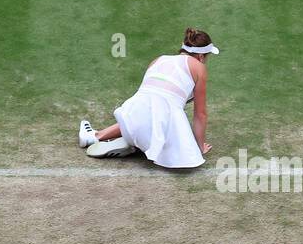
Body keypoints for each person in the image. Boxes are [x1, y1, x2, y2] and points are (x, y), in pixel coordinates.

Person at [79, 27, 217, 167]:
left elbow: (150, 103)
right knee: (171, 127)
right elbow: (200, 114)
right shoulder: (199, 68)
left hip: (132, 120)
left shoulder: (158, 60)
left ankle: (97, 136)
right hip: (159, 127)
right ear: (201, 56)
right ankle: (139, 143)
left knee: (150, 112)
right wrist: (199, 148)